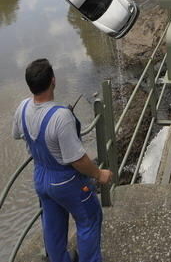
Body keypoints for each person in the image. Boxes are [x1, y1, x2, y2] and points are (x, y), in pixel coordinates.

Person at [13, 58, 112, 262]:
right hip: (66, 181)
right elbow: (77, 160)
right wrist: (99, 174)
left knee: (53, 227)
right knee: (89, 220)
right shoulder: (61, 116)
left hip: (40, 177)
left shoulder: (22, 107)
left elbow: (18, 134)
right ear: (53, 81)